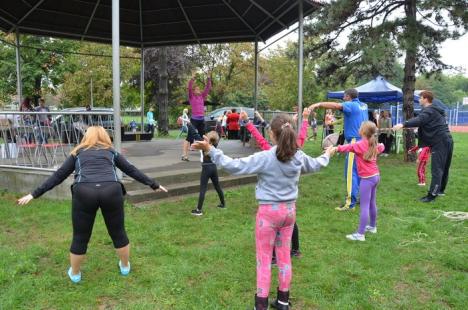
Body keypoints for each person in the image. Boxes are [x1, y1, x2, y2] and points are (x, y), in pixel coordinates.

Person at [192, 114, 334, 310]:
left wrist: (211, 149)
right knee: (284, 256)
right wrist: (329, 153)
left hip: (268, 215)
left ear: (272, 135)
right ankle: (283, 301)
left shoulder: (266, 157)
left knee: (264, 260)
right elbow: (318, 164)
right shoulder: (298, 156)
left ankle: (261, 305)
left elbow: (234, 166)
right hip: (289, 212)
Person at [17, 126, 168, 283]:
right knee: (118, 232)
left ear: (86, 137)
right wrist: (154, 184)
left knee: (80, 237)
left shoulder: (77, 153)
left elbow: (59, 175)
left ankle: (75, 274)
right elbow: (131, 170)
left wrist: (34, 194)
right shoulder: (111, 152)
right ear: (105, 136)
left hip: (84, 192)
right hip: (111, 190)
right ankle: (124, 266)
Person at [241, 109, 310, 260]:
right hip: (288, 203)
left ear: (273, 135)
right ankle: (295, 250)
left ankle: (272, 257)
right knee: (290, 224)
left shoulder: (268, 153)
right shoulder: (297, 151)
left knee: (270, 228)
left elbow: (261, 138)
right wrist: (304, 120)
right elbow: (301, 136)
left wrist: (248, 123)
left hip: (271, 203)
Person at [310, 88, 368, 211]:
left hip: (354, 142)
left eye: (344, 96)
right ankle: (361, 199)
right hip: (365, 141)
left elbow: (336, 106)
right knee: (361, 172)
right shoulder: (364, 105)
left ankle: (349, 204)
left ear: (348, 96)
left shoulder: (351, 105)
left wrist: (318, 104)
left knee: (351, 173)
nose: (343, 99)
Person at [393, 90, 453, 203]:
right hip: (446, 140)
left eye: (420, 98)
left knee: (437, 169)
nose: (419, 100)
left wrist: (403, 124)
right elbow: (427, 125)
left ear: (425, 98)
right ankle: (440, 190)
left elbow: (419, 120)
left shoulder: (429, 110)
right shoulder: (434, 110)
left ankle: (432, 196)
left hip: (440, 142)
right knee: (443, 168)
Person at [332, 121, 384, 241]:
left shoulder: (360, 144)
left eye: (360, 127)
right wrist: (381, 145)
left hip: (367, 179)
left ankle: (360, 234)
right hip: (376, 177)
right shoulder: (374, 144)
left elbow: (347, 147)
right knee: (372, 202)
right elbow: (382, 147)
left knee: (364, 206)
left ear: (363, 131)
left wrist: (335, 149)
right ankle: (372, 226)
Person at [187, 124, 225, 216]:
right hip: (213, 167)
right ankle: (223, 204)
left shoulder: (205, 144)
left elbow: (195, 134)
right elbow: (218, 133)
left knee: (203, 189)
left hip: (206, 168)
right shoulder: (215, 144)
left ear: (207, 137)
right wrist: (219, 123)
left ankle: (198, 210)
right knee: (217, 186)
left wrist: (189, 124)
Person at [182, 72, 211, 160]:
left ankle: (205, 154)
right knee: (189, 137)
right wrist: (192, 78)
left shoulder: (202, 97)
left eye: (199, 89)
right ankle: (184, 155)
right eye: (197, 89)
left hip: (201, 120)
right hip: (194, 120)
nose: (199, 90)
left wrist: (209, 79)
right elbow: (189, 88)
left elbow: (207, 89)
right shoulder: (192, 97)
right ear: (194, 91)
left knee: (203, 137)